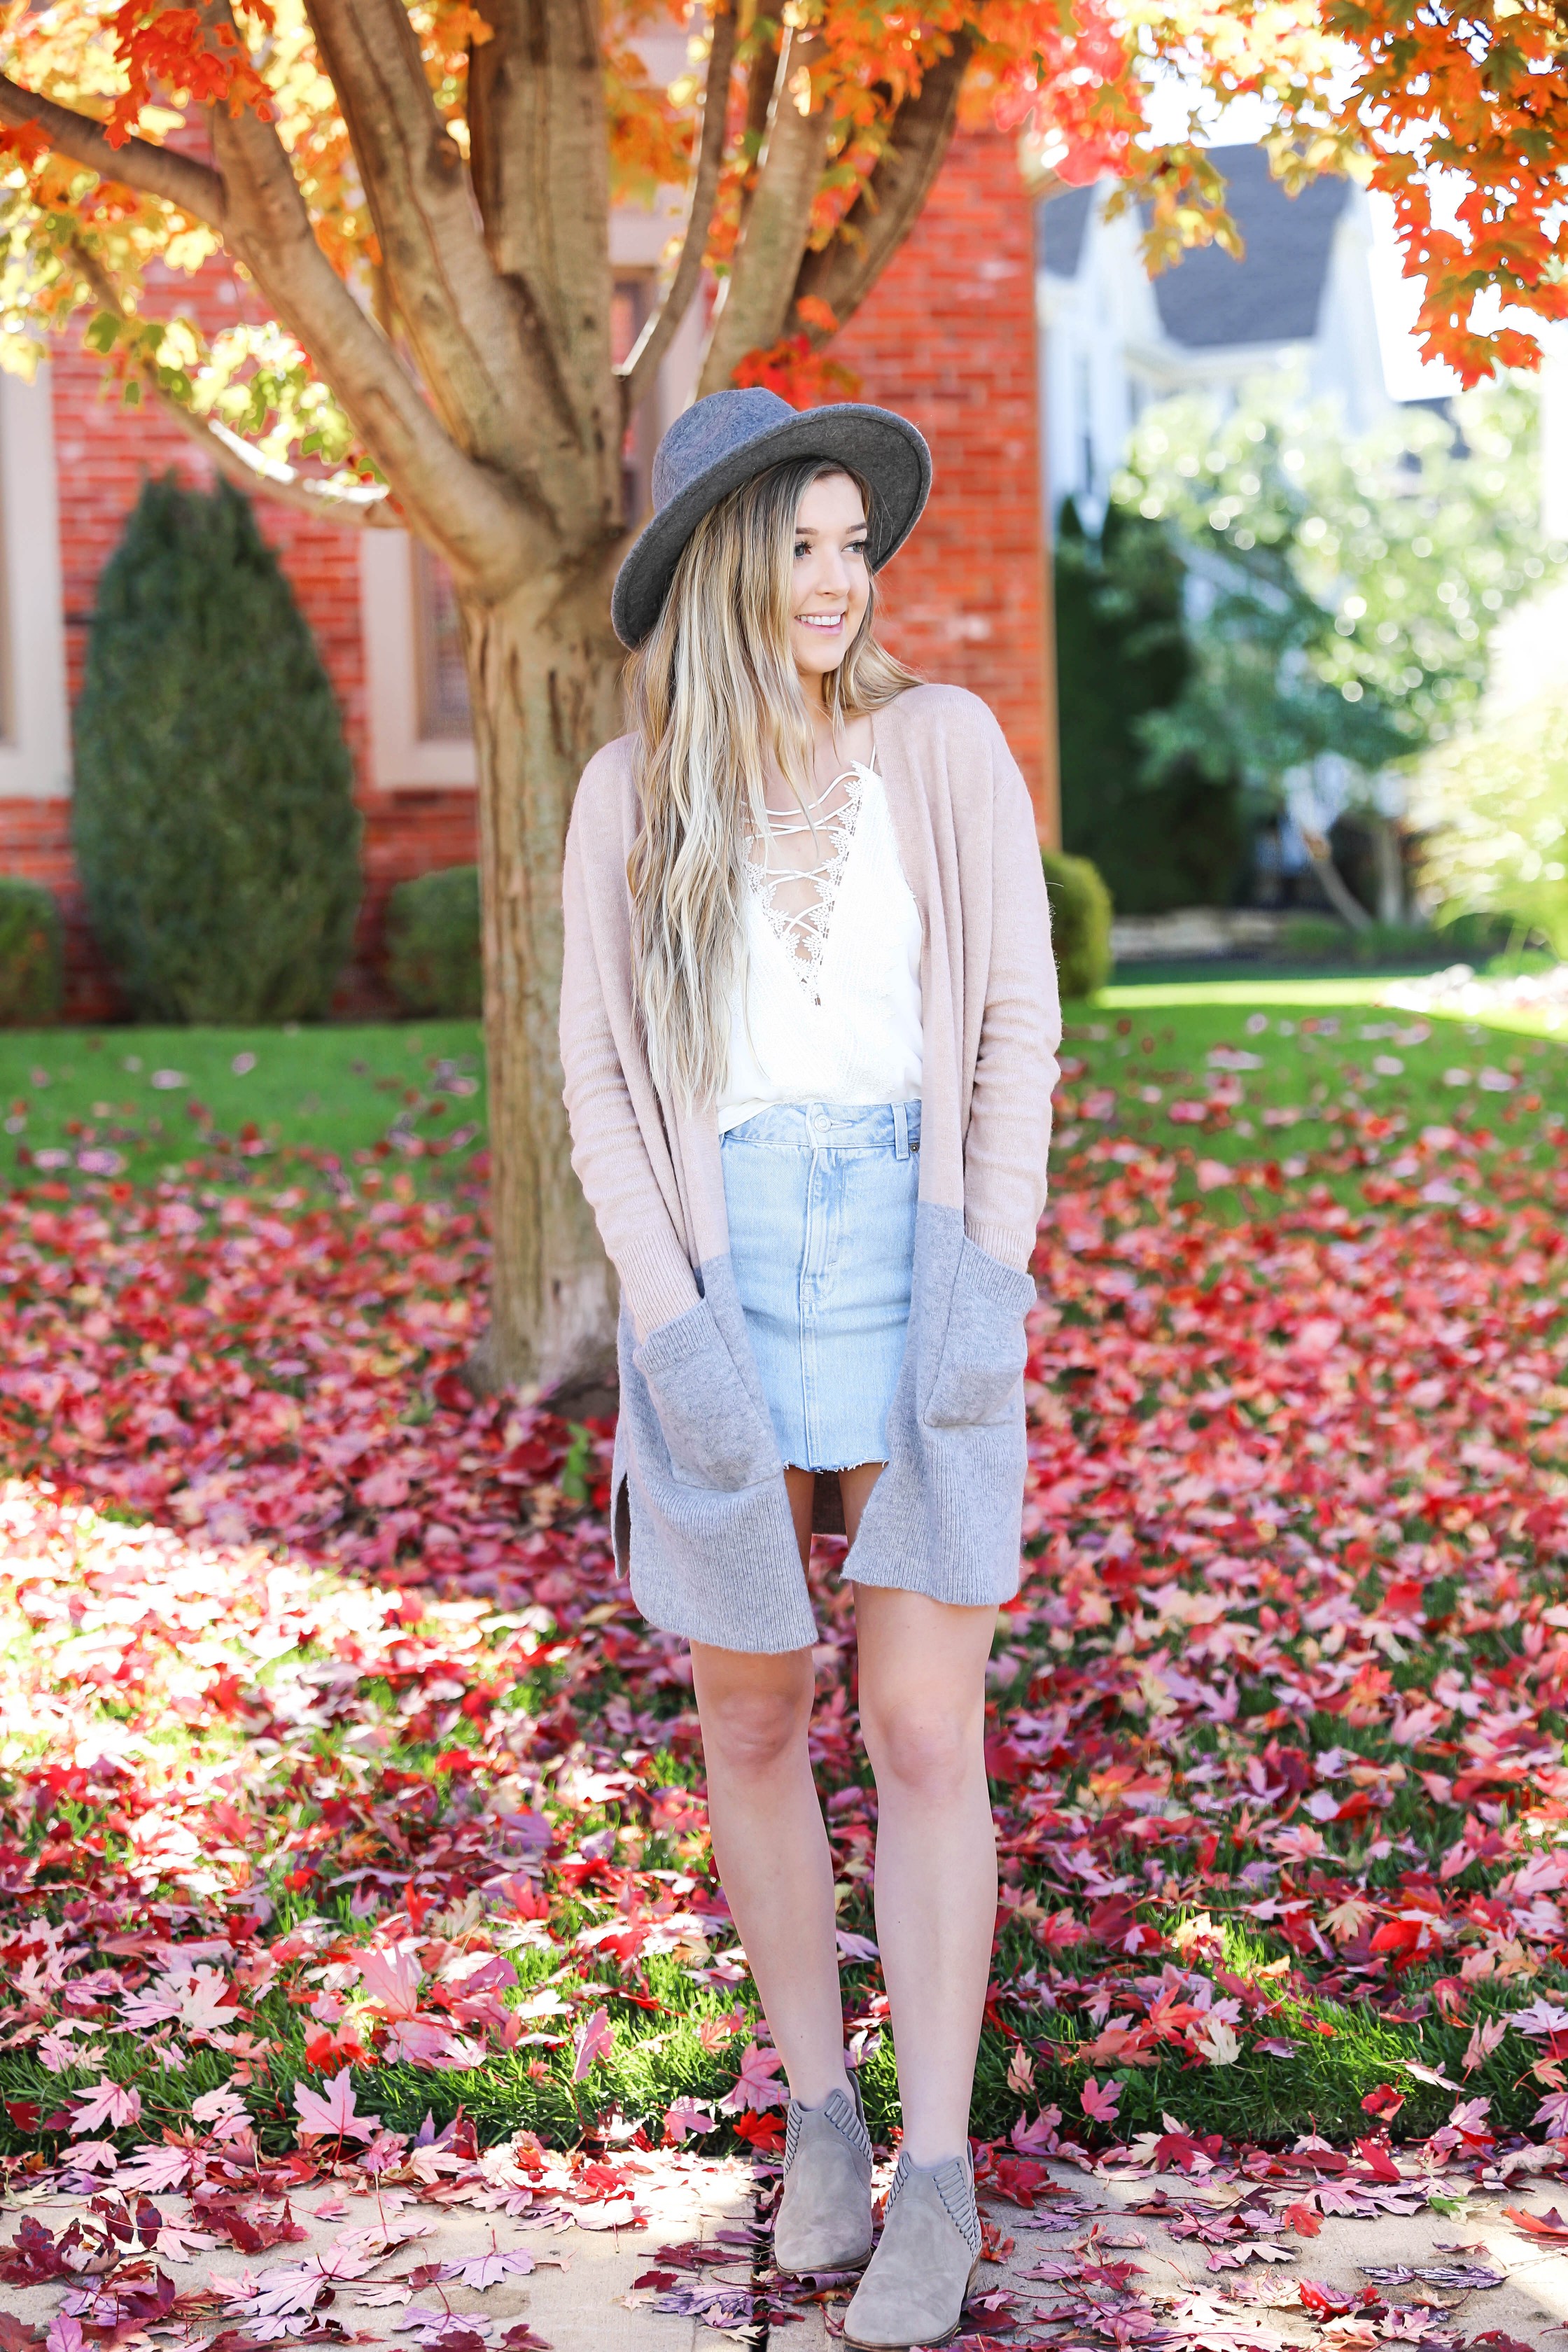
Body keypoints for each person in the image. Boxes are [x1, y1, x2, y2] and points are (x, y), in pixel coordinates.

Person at [559, 386, 1059, 2351]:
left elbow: (1014, 1026)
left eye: (860, 543)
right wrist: (666, 1322)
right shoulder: (632, 795)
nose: (842, 580)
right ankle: (827, 2122)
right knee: (754, 1720)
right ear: (716, 567)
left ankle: (935, 2175)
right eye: (803, 544)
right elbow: (601, 1078)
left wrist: (986, 1281)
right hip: (724, 1262)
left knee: (926, 1729)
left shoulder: (941, 748)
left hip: (915, 1245)